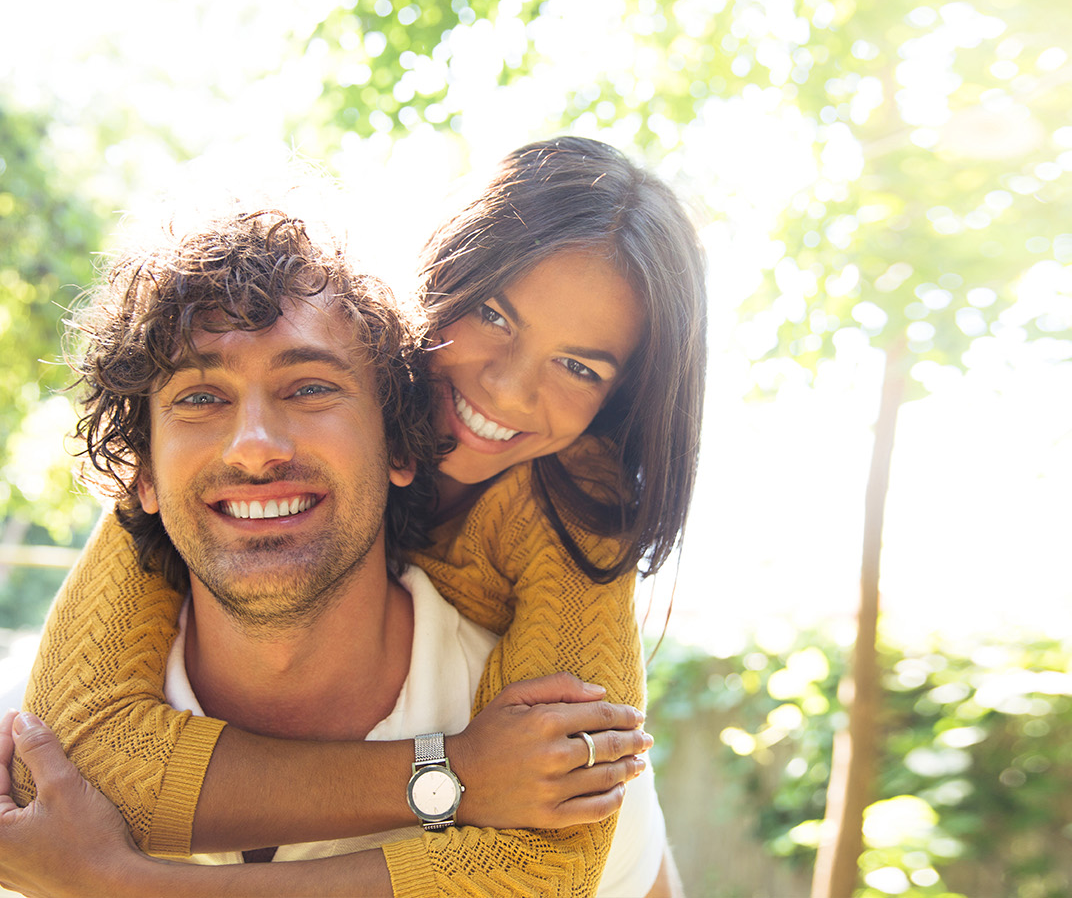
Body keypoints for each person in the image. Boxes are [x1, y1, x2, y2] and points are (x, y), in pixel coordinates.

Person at [12, 137, 706, 897]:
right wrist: (457, 774)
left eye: (579, 366)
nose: (507, 390)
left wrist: (113, 881)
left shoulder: (578, 510)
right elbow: (76, 754)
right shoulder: (202, 462)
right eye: (492, 313)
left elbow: (546, 860)